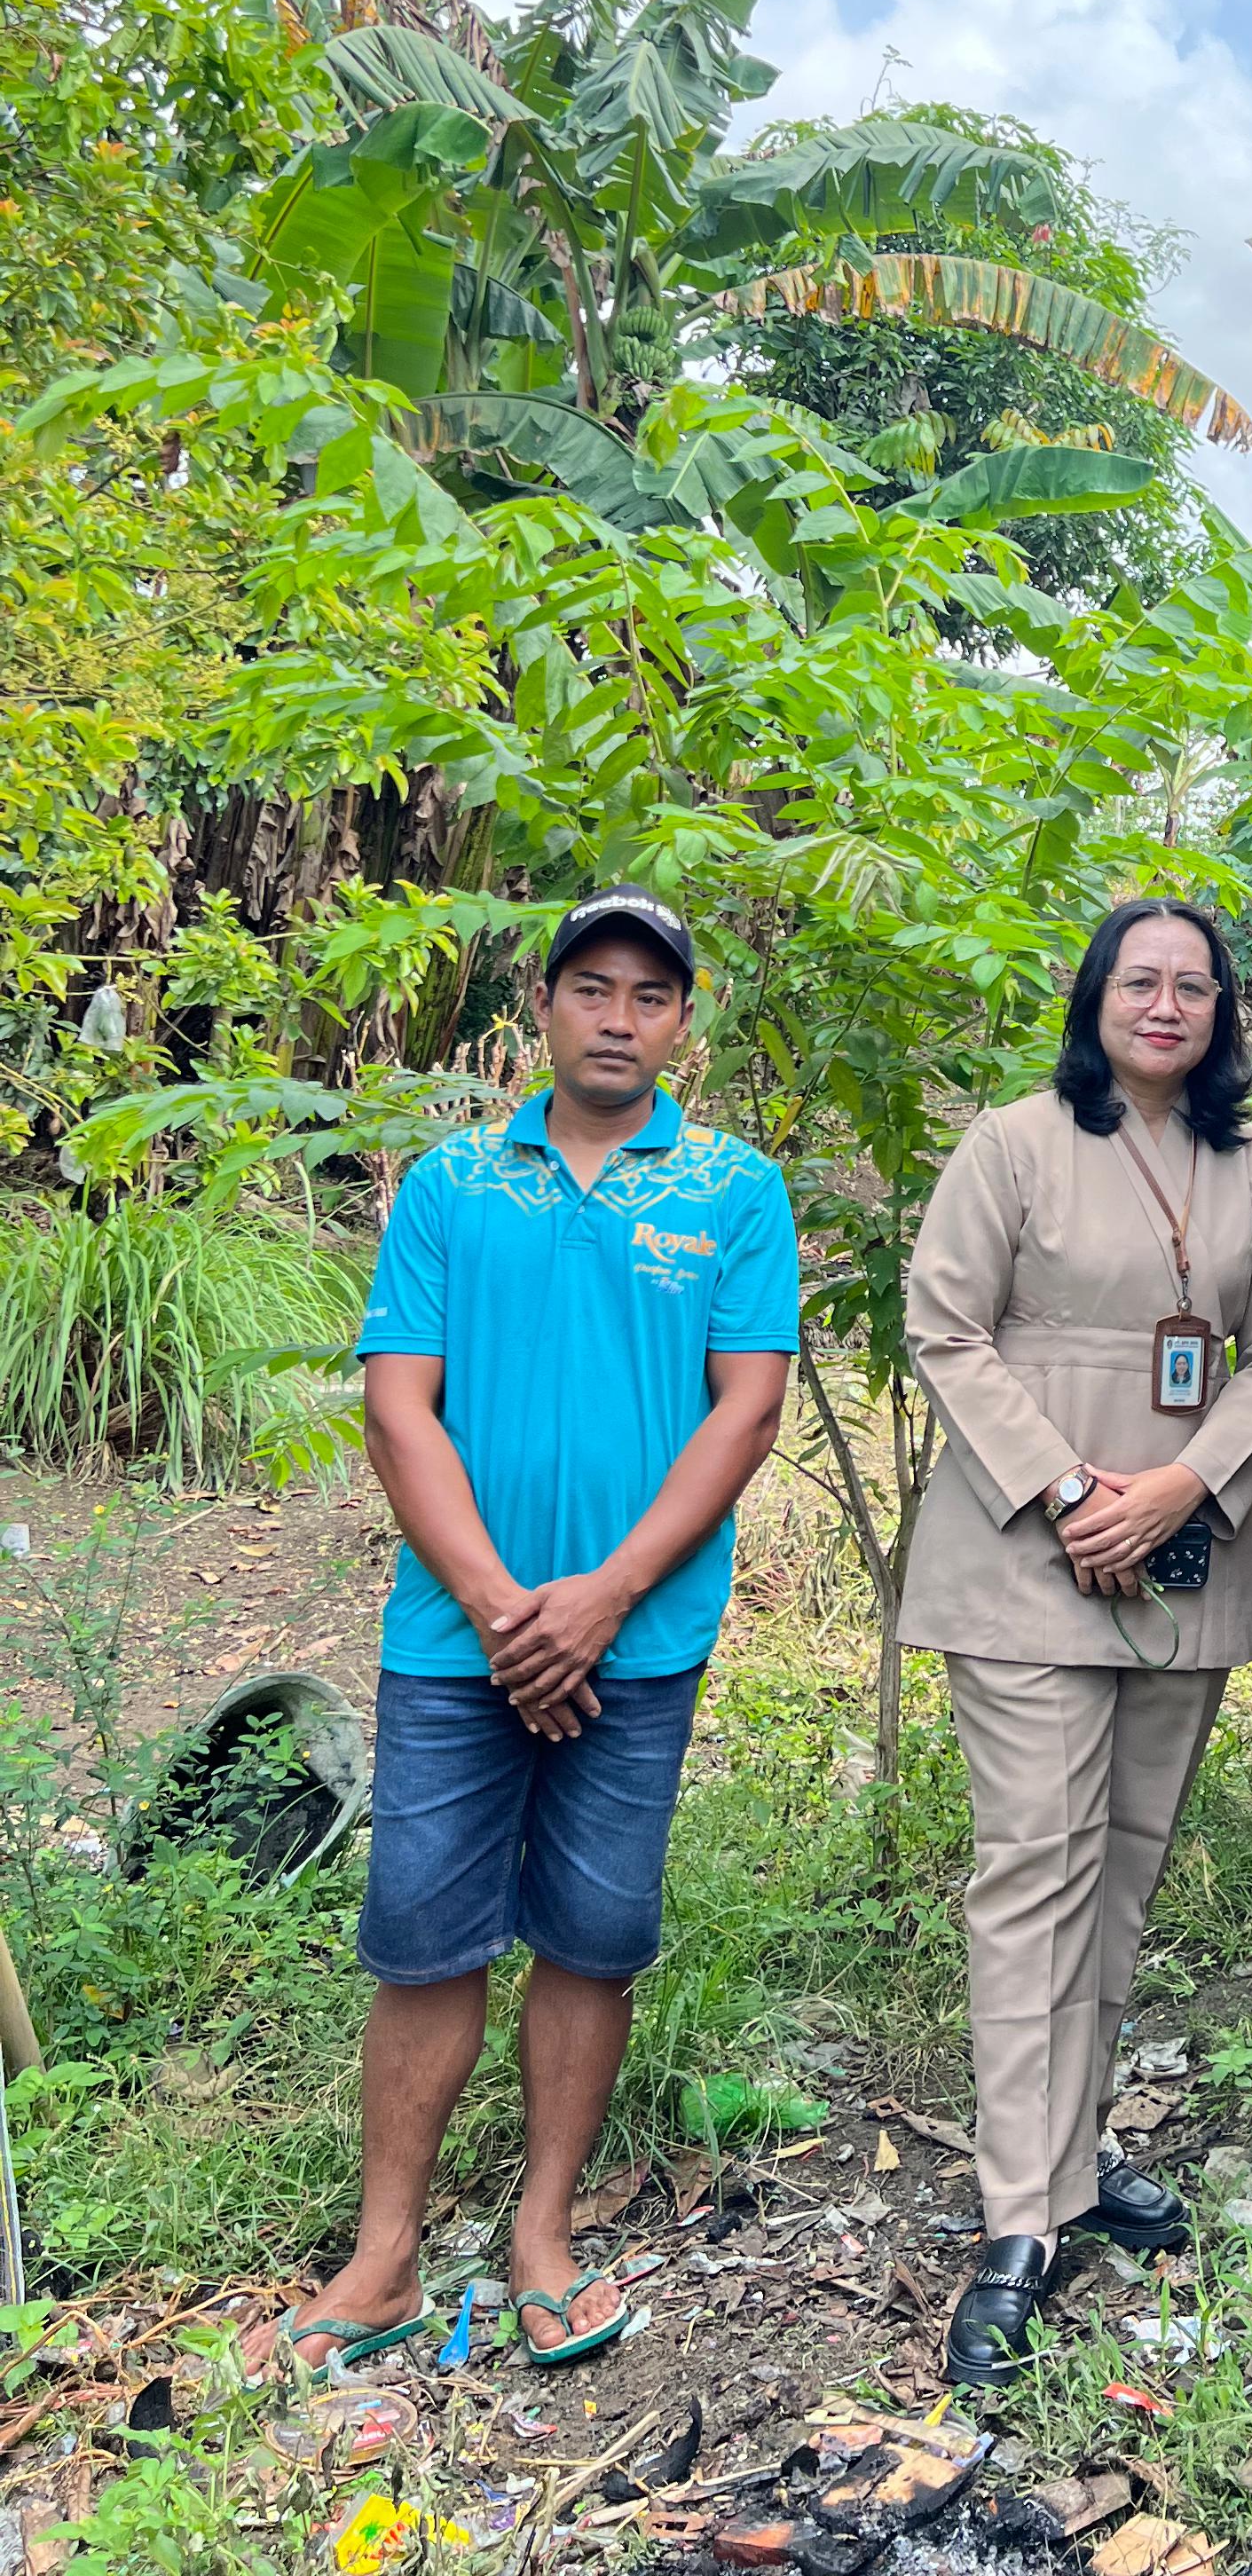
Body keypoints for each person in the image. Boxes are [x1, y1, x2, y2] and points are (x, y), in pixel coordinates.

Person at [253, 888, 799, 2381]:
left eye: (651, 996)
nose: (620, 1018)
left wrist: (605, 1599)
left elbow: (745, 1409)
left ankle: (542, 2236)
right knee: (425, 1940)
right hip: (455, 1639)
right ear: (544, 1009)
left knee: (592, 1936)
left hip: (641, 1635)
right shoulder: (447, 1186)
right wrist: (505, 1610)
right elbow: (396, 1403)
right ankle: (383, 2261)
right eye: (592, 990)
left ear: (683, 1021)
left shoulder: (733, 1192)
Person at [902, 901, 1252, 2387]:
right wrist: (1077, 1490)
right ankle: (1021, 2218)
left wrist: (1177, 1488)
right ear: (1096, 1000)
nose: (1165, 1005)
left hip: (1181, 1556)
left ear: (1221, 1011)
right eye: (1139, 981)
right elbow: (943, 1327)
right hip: (1030, 1559)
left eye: (1191, 985)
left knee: (1124, 1867)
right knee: (1035, 1870)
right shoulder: (1012, 1145)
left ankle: (1073, 2158)